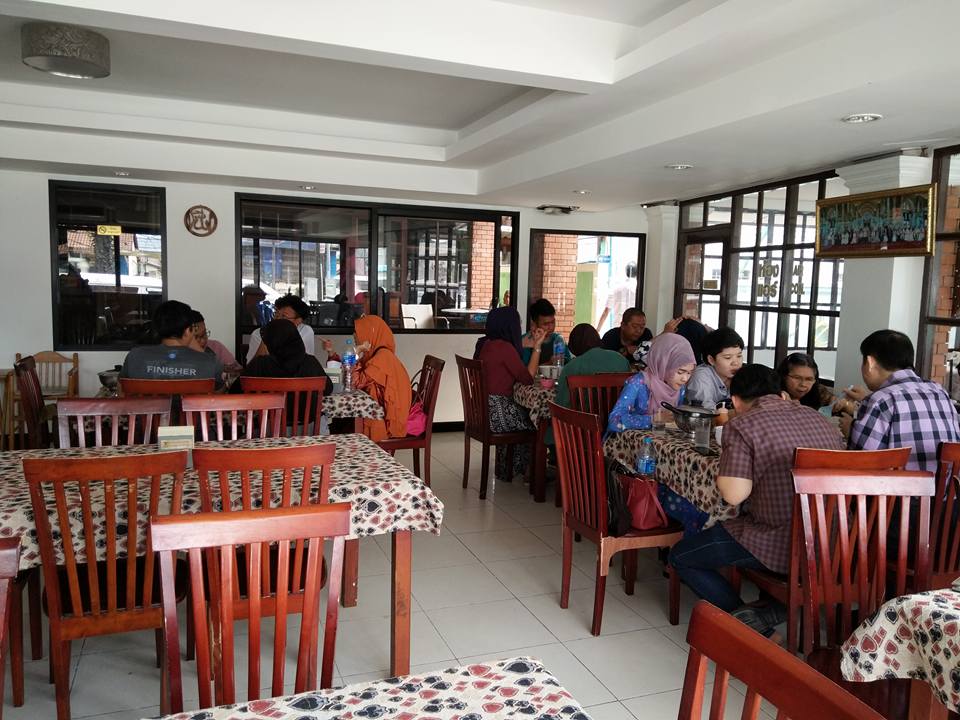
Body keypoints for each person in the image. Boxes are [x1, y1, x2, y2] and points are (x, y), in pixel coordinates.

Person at [668, 364, 843, 636]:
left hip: (780, 542)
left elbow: (734, 495)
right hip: (836, 542)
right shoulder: (818, 418)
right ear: (781, 393)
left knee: (682, 556)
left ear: (736, 401)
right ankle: (772, 610)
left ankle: (754, 629)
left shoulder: (743, 425)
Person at [841, 330, 960, 473]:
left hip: (901, 487)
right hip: (944, 487)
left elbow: (860, 464)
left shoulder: (880, 400)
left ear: (870, 362)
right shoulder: (940, 392)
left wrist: (851, 432)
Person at [474, 307, 544, 481]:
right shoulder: (505, 348)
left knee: (524, 414)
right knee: (537, 422)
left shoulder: (487, 345)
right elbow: (527, 378)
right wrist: (537, 347)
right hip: (498, 413)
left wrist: (525, 344)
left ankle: (507, 468)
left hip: (483, 412)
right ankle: (532, 473)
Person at [324, 315, 410, 442]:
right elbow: (350, 372)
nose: (355, 335)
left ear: (370, 334)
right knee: (340, 421)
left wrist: (356, 351)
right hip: (374, 409)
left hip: (381, 417)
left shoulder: (382, 358)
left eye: (359, 332)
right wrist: (332, 353)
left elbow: (354, 382)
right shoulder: (375, 355)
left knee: (341, 423)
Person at [120, 300, 222, 386]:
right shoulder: (211, 362)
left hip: (147, 405)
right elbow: (218, 395)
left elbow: (122, 390)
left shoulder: (134, 356)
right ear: (187, 331)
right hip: (191, 406)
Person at [607, 333, 696, 432]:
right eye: (680, 372)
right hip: (630, 440)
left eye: (689, 373)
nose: (685, 379)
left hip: (661, 439)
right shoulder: (638, 383)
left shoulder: (679, 387)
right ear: (663, 363)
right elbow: (614, 421)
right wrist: (653, 419)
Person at [554, 324, 630, 410]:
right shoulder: (621, 360)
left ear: (574, 345)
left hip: (584, 418)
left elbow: (562, 405)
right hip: (620, 417)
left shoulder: (572, 367)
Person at [246, 294, 316, 363]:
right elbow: (251, 367)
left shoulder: (305, 331)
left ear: (298, 321)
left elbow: (307, 363)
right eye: (276, 315)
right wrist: (266, 339)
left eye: (284, 316)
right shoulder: (258, 333)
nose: (278, 319)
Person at [686, 328, 744, 408]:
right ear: (711, 360)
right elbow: (705, 409)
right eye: (728, 357)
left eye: (739, 356)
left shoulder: (743, 374)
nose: (736, 363)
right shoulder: (701, 376)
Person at [521, 299, 572, 366]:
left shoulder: (558, 339)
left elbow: (569, 364)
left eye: (553, 322)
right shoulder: (525, 342)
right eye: (546, 324)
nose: (551, 327)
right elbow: (526, 371)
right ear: (534, 324)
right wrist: (549, 363)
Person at [597, 261, 638, 331]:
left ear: (626, 272)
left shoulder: (616, 288)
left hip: (617, 327)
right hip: (634, 329)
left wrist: (598, 330)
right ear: (637, 273)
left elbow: (606, 311)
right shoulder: (639, 289)